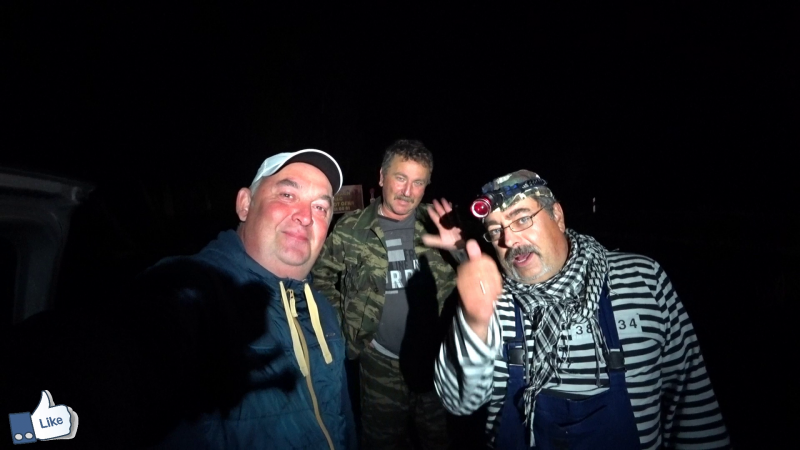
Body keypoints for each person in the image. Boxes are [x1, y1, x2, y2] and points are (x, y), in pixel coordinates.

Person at [430, 170, 731, 449]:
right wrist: (475, 322)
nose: (508, 240)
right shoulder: (492, 299)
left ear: (557, 216)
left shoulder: (641, 279)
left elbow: (692, 399)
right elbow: (459, 401)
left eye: (521, 219)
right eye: (495, 230)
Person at [119, 149, 356, 449]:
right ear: (245, 204)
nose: (306, 216)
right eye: (287, 195)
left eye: (320, 208)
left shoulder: (322, 310)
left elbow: (342, 420)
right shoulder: (183, 295)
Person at [312, 139, 460, 450]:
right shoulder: (351, 228)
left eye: (418, 182)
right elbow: (321, 277)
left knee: (439, 441)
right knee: (381, 442)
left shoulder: (440, 224)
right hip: (379, 363)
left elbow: (478, 276)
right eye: (400, 178)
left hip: (436, 362)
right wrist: (344, 324)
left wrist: (458, 251)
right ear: (382, 177)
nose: (407, 191)